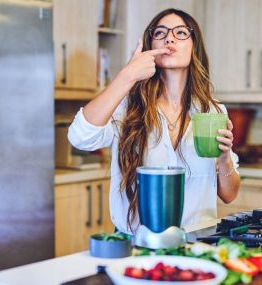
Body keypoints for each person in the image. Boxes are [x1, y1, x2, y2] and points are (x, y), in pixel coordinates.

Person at [68, 8, 240, 234]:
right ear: (150, 47)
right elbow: (80, 138)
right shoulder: (127, 107)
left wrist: (225, 157)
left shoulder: (212, 110)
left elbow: (229, 195)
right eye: (160, 33)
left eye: (180, 33)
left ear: (194, 46)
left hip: (198, 244)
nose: (169, 37)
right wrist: (127, 75)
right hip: (137, 245)